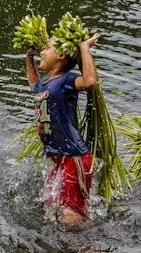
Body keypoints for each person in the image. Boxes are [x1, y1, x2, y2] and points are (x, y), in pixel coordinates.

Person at [24, 33, 100, 225]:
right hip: (56, 155)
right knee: (51, 204)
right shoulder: (44, 84)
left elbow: (90, 81)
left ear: (61, 56)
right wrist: (29, 58)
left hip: (73, 156)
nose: (43, 51)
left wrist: (83, 48)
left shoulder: (67, 80)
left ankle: (86, 251)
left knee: (70, 213)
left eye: (47, 48)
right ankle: (77, 241)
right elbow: (34, 85)